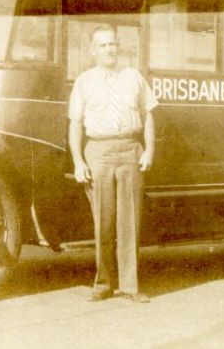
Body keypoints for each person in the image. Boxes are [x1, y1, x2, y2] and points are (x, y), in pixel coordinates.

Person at [68, 24, 158, 303]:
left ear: (119, 48)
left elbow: (149, 116)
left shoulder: (133, 77)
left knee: (129, 222)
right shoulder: (84, 81)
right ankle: (104, 284)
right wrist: (78, 161)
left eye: (113, 44)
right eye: (103, 45)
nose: (109, 50)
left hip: (131, 149)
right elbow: (75, 124)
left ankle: (130, 287)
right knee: (103, 222)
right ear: (93, 50)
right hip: (99, 152)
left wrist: (149, 150)